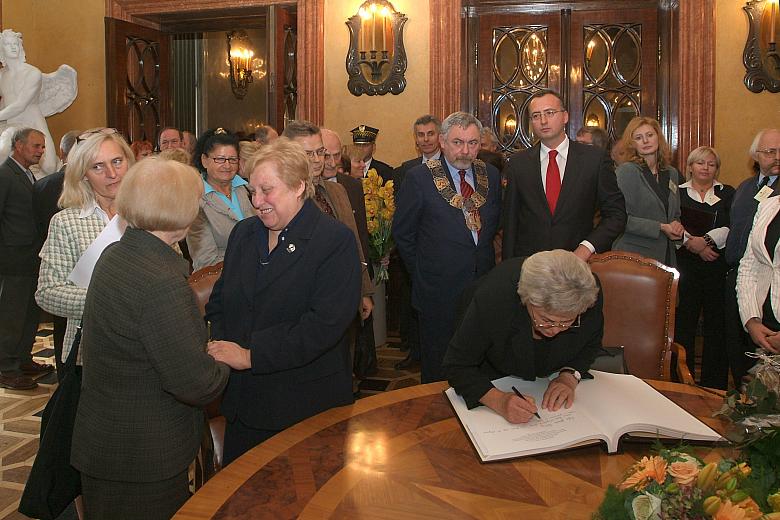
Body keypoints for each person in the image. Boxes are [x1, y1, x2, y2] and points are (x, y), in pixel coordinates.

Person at [71, 157, 230, 519]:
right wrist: (224, 357)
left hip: (107, 443)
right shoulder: (162, 282)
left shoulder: (117, 254)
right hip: (142, 456)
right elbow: (195, 383)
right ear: (183, 210)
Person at [205, 138, 362, 464]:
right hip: (244, 407)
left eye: (267, 190)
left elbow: (323, 326)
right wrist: (223, 347)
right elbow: (220, 301)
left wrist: (251, 355)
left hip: (303, 408)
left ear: (298, 187)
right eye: (252, 191)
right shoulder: (244, 234)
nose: (256, 201)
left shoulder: (333, 241)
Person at [393, 111, 502, 383]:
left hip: (481, 284)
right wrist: (421, 272)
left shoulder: (490, 173)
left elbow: (495, 225)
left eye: (473, 143)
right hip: (436, 288)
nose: (465, 151)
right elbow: (403, 233)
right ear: (442, 141)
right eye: (458, 142)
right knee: (439, 362)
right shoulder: (419, 178)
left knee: (478, 355)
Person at [444, 250, 602, 422]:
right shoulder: (496, 297)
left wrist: (569, 377)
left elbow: (591, 343)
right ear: (527, 300)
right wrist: (499, 400)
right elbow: (457, 365)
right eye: (546, 320)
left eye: (567, 322)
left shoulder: (585, 295)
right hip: (492, 373)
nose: (555, 330)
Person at [36, 128, 135, 367]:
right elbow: (47, 293)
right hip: (90, 350)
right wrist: (110, 300)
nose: (112, 173)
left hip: (147, 346)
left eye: (117, 161)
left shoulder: (149, 215)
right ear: (83, 175)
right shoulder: (67, 222)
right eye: (97, 166)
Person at [501, 89, 625, 261]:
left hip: (578, 264)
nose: (543, 121)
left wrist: (586, 248)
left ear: (565, 116)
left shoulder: (594, 159)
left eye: (549, 113)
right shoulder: (518, 164)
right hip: (531, 266)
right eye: (536, 116)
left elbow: (616, 214)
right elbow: (510, 223)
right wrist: (510, 268)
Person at [282, 121, 374, 323]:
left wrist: (364, 290)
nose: (317, 160)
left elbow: (354, 242)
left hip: (345, 293)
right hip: (305, 301)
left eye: (320, 152)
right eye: (308, 154)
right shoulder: (283, 198)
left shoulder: (338, 191)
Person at [675, 147, 734, 388]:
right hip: (685, 267)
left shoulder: (728, 193)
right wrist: (694, 245)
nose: (705, 168)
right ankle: (681, 380)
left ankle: (714, 385)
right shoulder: (676, 193)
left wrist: (706, 242)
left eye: (711, 164)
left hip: (715, 267)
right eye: (700, 163)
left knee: (716, 326)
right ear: (690, 166)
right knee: (684, 323)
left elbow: (732, 225)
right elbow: (673, 223)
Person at [321, 128, 377, 378]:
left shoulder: (350, 187)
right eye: (325, 156)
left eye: (335, 156)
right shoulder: (301, 192)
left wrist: (365, 288)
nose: (331, 163)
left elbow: (359, 238)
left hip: (350, 281)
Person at [726, 128, 780, 383]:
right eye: (770, 152)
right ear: (756, 156)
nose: (777, 157)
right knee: (740, 353)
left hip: (772, 293)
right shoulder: (746, 188)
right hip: (742, 279)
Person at [0, 128, 53, 390]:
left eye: (42, 147)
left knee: (29, 312)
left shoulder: (26, 174)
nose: (40, 151)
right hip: (12, 259)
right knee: (11, 314)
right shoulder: (4, 174)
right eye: (36, 146)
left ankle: (22, 358)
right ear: (18, 145)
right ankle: (6, 368)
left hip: (30, 257)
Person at [391, 115, 443, 370]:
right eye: (420, 135)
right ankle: (415, 351)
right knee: (411, 303)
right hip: (413, 252)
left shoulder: (450, 167)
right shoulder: (405, 170)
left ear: (440, 136)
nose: (425, 139)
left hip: (440, 253)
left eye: (430, 134)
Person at [32, 129, 79, 378]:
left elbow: (36, 225)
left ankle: (63, 371)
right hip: (75, 266)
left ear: (61, 152)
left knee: (61, 326)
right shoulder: (72, 197)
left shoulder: (41, 185)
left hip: (49, 258)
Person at [612, 116, 682, 266]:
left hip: (666, 256)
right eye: (638, 137)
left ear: (658, 137)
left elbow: (674, 213)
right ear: (632, 144)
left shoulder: (671, 173)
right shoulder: (627, 171)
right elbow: (619, 218)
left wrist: (676, 224)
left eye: (650, 135)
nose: (645, 141)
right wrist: (661, 227)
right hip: (633, 256)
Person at [186, 128, 253, 270]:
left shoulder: (250, 190)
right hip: (223, 280)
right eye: (220, 159)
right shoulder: (195, 201)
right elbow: (205, 262)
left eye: (232, 159)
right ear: (204, 160)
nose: (227, 165)